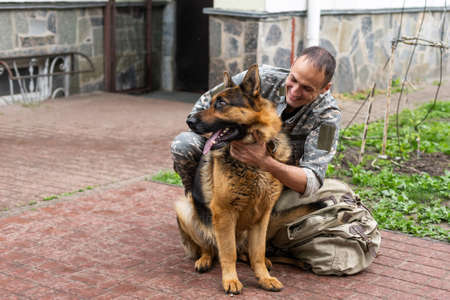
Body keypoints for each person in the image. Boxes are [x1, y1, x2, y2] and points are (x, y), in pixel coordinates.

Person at [171, 46, 380, 276]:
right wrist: (235, 135)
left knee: (283, 216)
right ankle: (205, 221)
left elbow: (311, 180)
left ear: (324, 89)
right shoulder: (261, 78)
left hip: (278, 180)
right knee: (184, 145)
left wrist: (265, 162)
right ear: (291, 67)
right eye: (294, 79)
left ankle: (253, 243)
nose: (295, 91)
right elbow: (201, 110)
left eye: (307, 88)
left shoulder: (328, 117)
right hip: (229, 162)